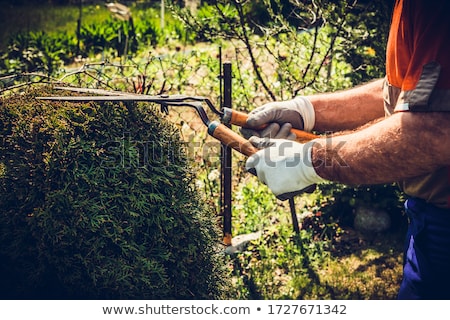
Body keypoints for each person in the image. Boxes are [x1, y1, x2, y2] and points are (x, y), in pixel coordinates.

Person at [243, 0, 450, 299]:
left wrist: (308, 162)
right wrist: (306, 111)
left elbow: (432, 132)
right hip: (429, 224)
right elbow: (409, 91)